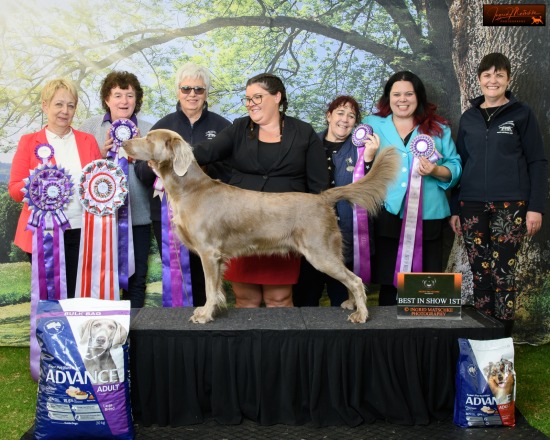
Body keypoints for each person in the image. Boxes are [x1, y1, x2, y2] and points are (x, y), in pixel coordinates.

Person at [192, 72, 329, 308]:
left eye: (257, 97)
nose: (251, 104)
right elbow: (206, 152)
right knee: (246, 299)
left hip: (284, 228)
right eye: (247, 99)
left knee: (279, 298)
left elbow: (319, 185)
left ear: (277, 97)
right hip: (242, 227)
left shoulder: (303, 132)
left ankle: (282, 346)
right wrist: (168, 152)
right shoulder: (238, 128)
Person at [449, 53, 547, 337]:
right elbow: (459, 163)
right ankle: (483, 335)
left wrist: (535, 207)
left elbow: (537, 162)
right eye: (487, 75)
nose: (493, 80)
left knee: (503, 274)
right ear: (479, 80)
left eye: (499, 75)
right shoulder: (468, 118)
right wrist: (456, 208)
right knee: (480, 273)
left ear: (508, 79)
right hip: (472, 205)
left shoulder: (522, 114)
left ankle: (503, 337)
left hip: (511, 206)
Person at [134, 62, 231, 307]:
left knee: (208, 268)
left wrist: (200, 167)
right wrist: (151, 167)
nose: (192, 95)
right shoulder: (162, 127)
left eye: (198, 90)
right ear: (178, 91)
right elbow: (141, 173)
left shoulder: (222, 127)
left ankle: (211, 313)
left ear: (206, 93)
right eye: (186, 88)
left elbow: (233, 170)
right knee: (175, 275)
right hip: (169, 215)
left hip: (212, 215)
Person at [363, 71, 462, 306]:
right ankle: (389, 338)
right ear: (388, 98)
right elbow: (358, 165)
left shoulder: (438, 127)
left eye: (409, 93)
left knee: (426, 287)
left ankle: (424, 338)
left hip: (428, 215)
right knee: (389, 284)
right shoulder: (371, 124)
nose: (402, 99)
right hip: (388, 211)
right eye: (396, 94)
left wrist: (436, 171)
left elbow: (455, 165)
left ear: (418, 97)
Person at [8, 78, 102, 298]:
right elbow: (14, 190)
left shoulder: (87, 141)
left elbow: (98, 185)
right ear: (45, 105)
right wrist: (39, 183)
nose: (65, 111)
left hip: (83, 233)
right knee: (51, 303)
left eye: (70, 105)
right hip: (44, 237)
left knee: (80, 300)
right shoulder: (28, 142)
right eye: (59, 104)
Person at [293, 96, 380, 307]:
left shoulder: (362, 149)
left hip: (346, 236)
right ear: (329, 115)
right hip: (308, 234)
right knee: (306, 300)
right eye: (340, 112)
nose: (345, 119)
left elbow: (369, 191)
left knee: (342, 301)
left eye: (351, 116)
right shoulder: (307, 143)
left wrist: (368, 159)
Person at [79, 71, 152, 308]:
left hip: (140, 218)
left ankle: (135, 337)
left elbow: (160, 174)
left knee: (136, 280)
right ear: (107, 99)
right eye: (117, 95)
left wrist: (142, 156)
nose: (124, 101)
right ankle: (106, 337)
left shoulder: (150, 129)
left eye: (129, 95)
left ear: (136, 99)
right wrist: (99, 155)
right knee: (100, 280)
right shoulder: (88, 128)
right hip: (99, 221)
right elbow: (80, 172)